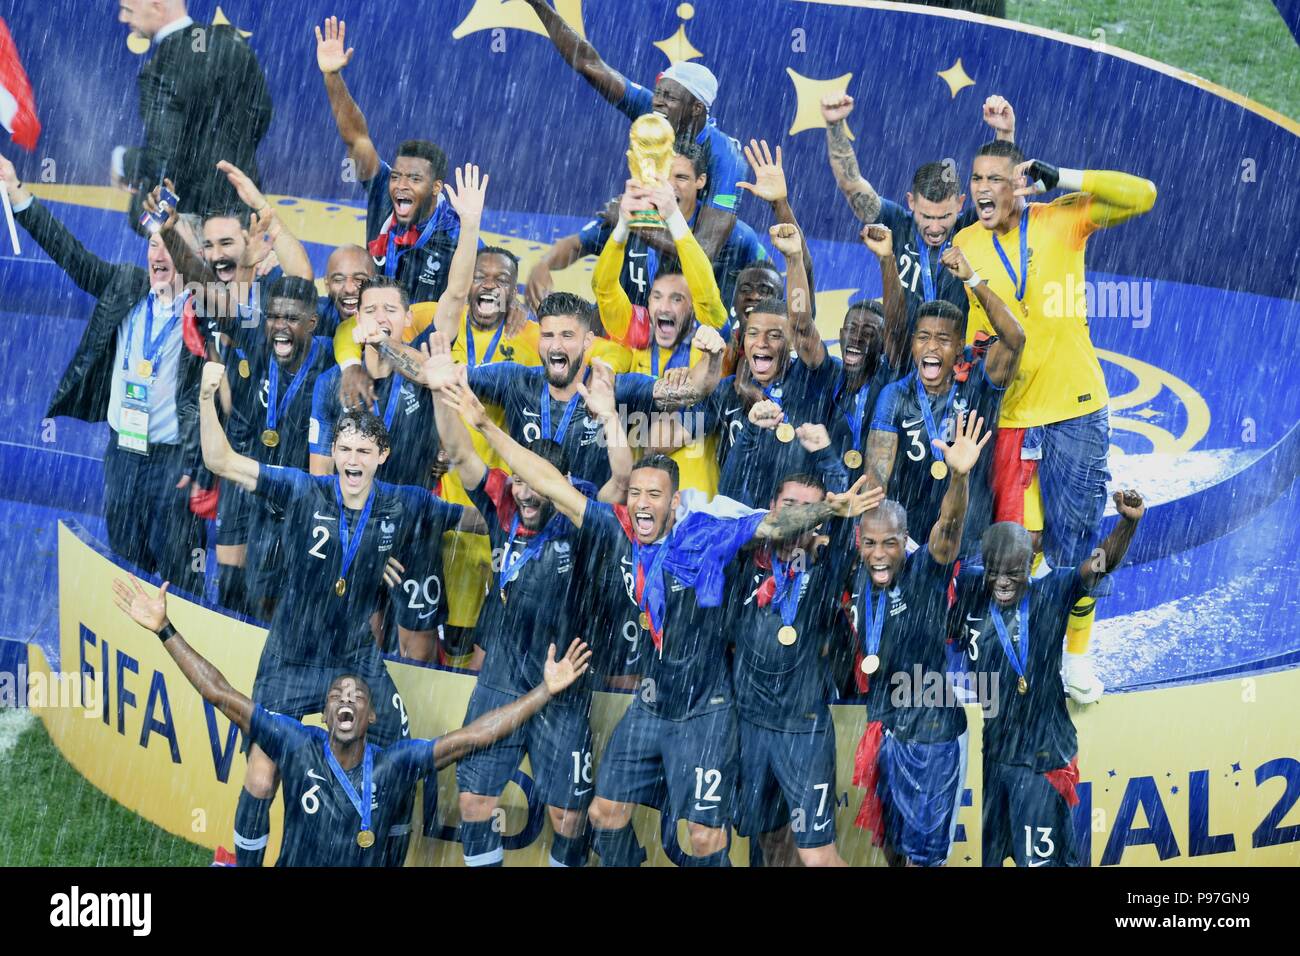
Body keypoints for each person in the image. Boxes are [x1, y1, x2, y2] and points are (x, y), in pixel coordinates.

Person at [440, 375, 885, 866]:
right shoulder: (618, 529)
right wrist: (485, 427)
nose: (643, 504)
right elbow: (547, 481)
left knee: (704, 838)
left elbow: (774, 524)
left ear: (676, 503)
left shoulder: (705, 534)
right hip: (652, 703)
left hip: (704, 708)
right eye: (636, 494)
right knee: (603, 814)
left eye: (655, 496)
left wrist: (834, 507)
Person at [110, 573, 591, 867]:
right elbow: (218, 692)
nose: (346, 699)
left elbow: (476, 735)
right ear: (324, 712)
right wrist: (164, 630)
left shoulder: (395, 763)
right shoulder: (295, 744)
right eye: (337, 695)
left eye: (356, 695)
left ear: (371, 714)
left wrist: (544, 691)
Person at [199, 361, 464, 867]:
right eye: (344, 449)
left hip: (354, 657)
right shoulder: (303, 490)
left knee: (401, 759)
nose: (353, 459)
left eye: (364, 450)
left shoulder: (402, 503)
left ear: (381, 456)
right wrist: (208, 396)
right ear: (334, 453)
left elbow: (475, 518)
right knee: (261, 775)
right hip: (293, 654)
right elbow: (220, 459)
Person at [954, 142, 1157, 702]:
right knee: (1014, 550)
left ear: (1018, 185)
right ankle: (1017, 651)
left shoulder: (1061, 219)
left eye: (994, 178)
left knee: (1076, 544)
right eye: (975, 178)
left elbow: (1144, 196)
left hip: (1076, 409)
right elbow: (975, 335)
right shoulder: (966, 244)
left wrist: (1062, 174)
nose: (980, 189)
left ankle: (1075, 657)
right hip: (1012, 417)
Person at [427, 338, 631, 867]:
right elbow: (461, 454)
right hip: (500, 676)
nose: (523, 492)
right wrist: (439, 391)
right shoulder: (500, 503)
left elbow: (623, 483)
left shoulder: (580, 520)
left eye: (535, 483)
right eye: (517, 479)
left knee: (569, 816)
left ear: (559, 486)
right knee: (474, 801)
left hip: (564, 681)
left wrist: (610, 421)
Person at [1, 153, 207, 595]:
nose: (159, 253)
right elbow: (72, 256)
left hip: (172, 460)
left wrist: (177, 234)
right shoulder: (126, 285)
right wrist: (18, 191)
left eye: (170, 244)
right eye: (153, 242)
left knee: (178, 573)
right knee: (126, 563)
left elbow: (217, 285)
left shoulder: (206, 308)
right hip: (122, 451)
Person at [951, 490, 1146, 866]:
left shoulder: (1051, 593)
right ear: (983, 567)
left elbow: (1098, 566)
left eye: (1014, 572)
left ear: (1030, 565)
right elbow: (940, 553)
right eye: (994, 571)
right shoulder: (973, 589)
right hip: (996, 756)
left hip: (1041, 757)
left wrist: (1127, 524)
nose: (1003, 581)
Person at [311, 276, 476, 664]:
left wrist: (469, 225)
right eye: (370, 310)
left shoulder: (423, 373)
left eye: (390, 310)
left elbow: (453, 299)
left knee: (414, 655)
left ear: (407, 320)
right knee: (359, 646)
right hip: (356, 535)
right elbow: (320, 481)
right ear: (355, 319)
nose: (379, 317)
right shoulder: (331, 385)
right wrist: (360, 542)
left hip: (416, 535)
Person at [849, 412, 989, 868]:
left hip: (932, 738)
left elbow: (949, 527)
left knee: (924, 861)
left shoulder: (926, 576)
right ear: (858, 542)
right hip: (886, 730)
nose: (878, 554)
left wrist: (960, 477)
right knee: (891, 848)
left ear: (905, 541)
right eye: (870, 543)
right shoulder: (856, 577)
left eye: (888, 543)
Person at [425, 292, 725, 490]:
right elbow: (439, 375)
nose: (556, 346)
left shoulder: (617, 388)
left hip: (589, 529)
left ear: (587, 342)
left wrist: (712, 359)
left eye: (568, 335)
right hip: (529, 520)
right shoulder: (515, 380)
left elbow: (690, 392)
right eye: (548, 335)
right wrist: (424, 367)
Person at [522, 0, 746, 259]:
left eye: (669, 98)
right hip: (658, 246)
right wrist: (538, 4)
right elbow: (588, 63)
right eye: (658, 93)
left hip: (706, 271)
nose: (658, 102)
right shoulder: (657, 113)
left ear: (696, 108)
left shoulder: (727, 159)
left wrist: (632, 220)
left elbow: (704, 252)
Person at [727, 443, 856, 868]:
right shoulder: (742, 559)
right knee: (769, 844)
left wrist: (828, 458)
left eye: (809, 509)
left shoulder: (824, 569)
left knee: (816, 854)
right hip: (750, 727)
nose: (798, 515)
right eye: (790, 505)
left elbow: (845, 510)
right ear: (770, 506)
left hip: (804, 732)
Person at [865, 248, 1025, 557]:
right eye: (923, 337)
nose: (931, 346)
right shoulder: (895, 395)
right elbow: (876, 478)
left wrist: (973, 280)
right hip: (911, 545)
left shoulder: (979, 384)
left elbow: (1015, 339)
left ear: (959, 349)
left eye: (944, 339)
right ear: (912, 344)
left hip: (971, 545)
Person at [820, 92, 1015, 330]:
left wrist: (1005, 134)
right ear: (911, 202)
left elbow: (1002, 193)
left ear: (961, 203)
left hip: (961, 357)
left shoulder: (974, 226)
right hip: (904, 354)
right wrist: (834, 126)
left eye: (944, 217)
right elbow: (852, 185)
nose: (934, 228)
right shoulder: (897, 223)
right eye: (926, 217)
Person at [315, 16, 466, 305]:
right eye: (397, 175)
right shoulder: (382, 188)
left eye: (414, 179)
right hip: (370, 325)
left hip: (423, 342)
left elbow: (488, 278)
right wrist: (332, 77)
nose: (400, 185)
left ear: (436, 188)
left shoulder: (455, 231)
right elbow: (356, 137)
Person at [592, 178, 729, 493]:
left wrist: (674, 219)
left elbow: (707, 293)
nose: (664, 306)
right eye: (657, 297)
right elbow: (603, 287)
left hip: (693, 504)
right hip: (639, 500)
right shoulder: (633, 339)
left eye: (677, 299)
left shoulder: (705, 342)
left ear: (692, 310)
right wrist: (623, 226)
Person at [210, 276, 335, 618]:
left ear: (312, 322)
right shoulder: (259, 344)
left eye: (292, 319)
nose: (280, 326)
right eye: (274, 316)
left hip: (299, 502)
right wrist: (171, 233)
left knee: (285, 607)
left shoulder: (333, 368)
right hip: (256, 488)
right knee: (242, 594)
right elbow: (209, 292)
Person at [531, 145, 766, 319]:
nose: (669, 186)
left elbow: (767, 281)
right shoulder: (630, 211)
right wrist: (543, 264)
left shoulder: (733, 235)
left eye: (681, 177)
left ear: (701, 181)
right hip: (629, 339)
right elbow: (576, 244)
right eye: (663, 177)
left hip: (696, 348)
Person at [700, 223, 836, 507]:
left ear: (789, 344)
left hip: (795, 526)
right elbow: (671, 435)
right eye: (753, 334)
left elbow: (801, 324)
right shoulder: (727, 390)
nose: (761, 343)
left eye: (775, 336)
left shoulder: (811, 379)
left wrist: (794, 259)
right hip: (744, 528)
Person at [113, 0, 272, 226]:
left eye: (128, 10)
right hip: (242, 211)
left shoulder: (159, 71)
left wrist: (123, 160)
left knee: (143, 219)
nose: (123, 18)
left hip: (191, 223)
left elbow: (164, 158)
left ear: (157, 7)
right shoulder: (231, 43)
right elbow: (261, 115)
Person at [827, 224, 910, 484]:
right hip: (830, 496)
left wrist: (886, 261)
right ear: (840, 334)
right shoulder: (826, 378)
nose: (857, 337)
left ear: (883, 343)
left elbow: (896, 329)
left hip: (876, 498)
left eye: (869, 332)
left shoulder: (891, 381)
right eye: (851, 329)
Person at [318, 245, 376, 342]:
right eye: (339, 280)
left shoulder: (390, 318)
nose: (349, 289)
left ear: (375, 282)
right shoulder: (315, 314)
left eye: (359, 279)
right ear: (327, 285)